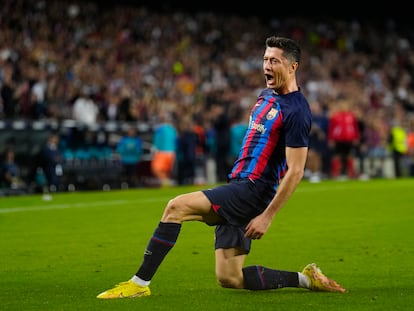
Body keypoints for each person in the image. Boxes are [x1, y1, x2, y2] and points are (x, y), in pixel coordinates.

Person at [97, 36, 345, 299]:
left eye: (274, 61)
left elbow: (296, 171)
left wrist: (267, 216)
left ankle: (138, 284)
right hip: (239, 185)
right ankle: (306, 279)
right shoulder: (265, 96)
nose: (267, 66)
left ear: (293, 67)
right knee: (230, 277)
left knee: (176, 207)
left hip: (253, 190)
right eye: (265, 59)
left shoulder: (297, 111)